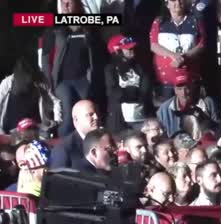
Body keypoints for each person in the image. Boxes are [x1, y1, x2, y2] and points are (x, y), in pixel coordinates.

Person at [41, 0, 104, 137]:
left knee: (87, 115)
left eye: (69, 2)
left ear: (79, 5)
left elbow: (98, 55)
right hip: (63, 81)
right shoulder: (54, 28)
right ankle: (65, 147)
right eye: (63, 3)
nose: (66, 5)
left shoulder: (89, 27)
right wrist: (48, 82)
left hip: (84, 80)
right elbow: (45, 57)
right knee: (68, 116)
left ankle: (89, 146)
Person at [150, 0, 206, 99]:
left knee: (190, 109)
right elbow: (154, 45)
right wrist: (174, 55)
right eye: (173, 0)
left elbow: (202, 44)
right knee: (168, 109)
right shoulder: (159, 21)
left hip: (189, 76)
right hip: (166, 78)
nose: (178, 2)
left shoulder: (195, 21)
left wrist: (184, 57)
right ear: (167, 4)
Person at [0, 58, 61, 136]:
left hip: (35, 129)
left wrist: (57, 121)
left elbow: (55, 101)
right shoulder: (7, 84)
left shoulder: (40, 81)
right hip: (10, 131)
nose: (30, 81)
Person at [105, 35, 153, 133]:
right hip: (118, 120)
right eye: (128, 48)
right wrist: (134, 91)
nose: (132, 50)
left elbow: (145, 92)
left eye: (132, 47)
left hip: (139, 117)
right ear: (117, 51)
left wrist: (127, 92)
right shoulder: (110, 69)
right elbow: (114, 93)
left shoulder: (140, 67)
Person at [156, 72, 217, 137]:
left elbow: (218, 128)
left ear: (193, 87)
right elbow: (162, 135)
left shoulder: (207, 102)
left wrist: (204, 119)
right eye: (179, 89)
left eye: (187, 88)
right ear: (175, 90)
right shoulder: (164, 109)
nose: (184, 92)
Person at [50, 100, 100, 169]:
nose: (96, 117)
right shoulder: (63, 150)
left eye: (97, 113)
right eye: (90, 114)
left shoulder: (104, 141)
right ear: (76, 120)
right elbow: (58, 179)